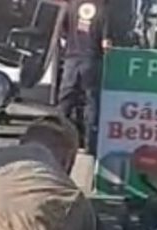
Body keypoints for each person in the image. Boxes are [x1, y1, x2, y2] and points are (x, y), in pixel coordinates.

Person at [58, 0, 133, 154]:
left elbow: (62, 30)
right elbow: (106, 44)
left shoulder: (72, 5)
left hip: (72, 59)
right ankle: (89, 147)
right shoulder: (103, 10)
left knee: (65, 103)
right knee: (92, 104)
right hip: (92, 60)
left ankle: (58, 140)